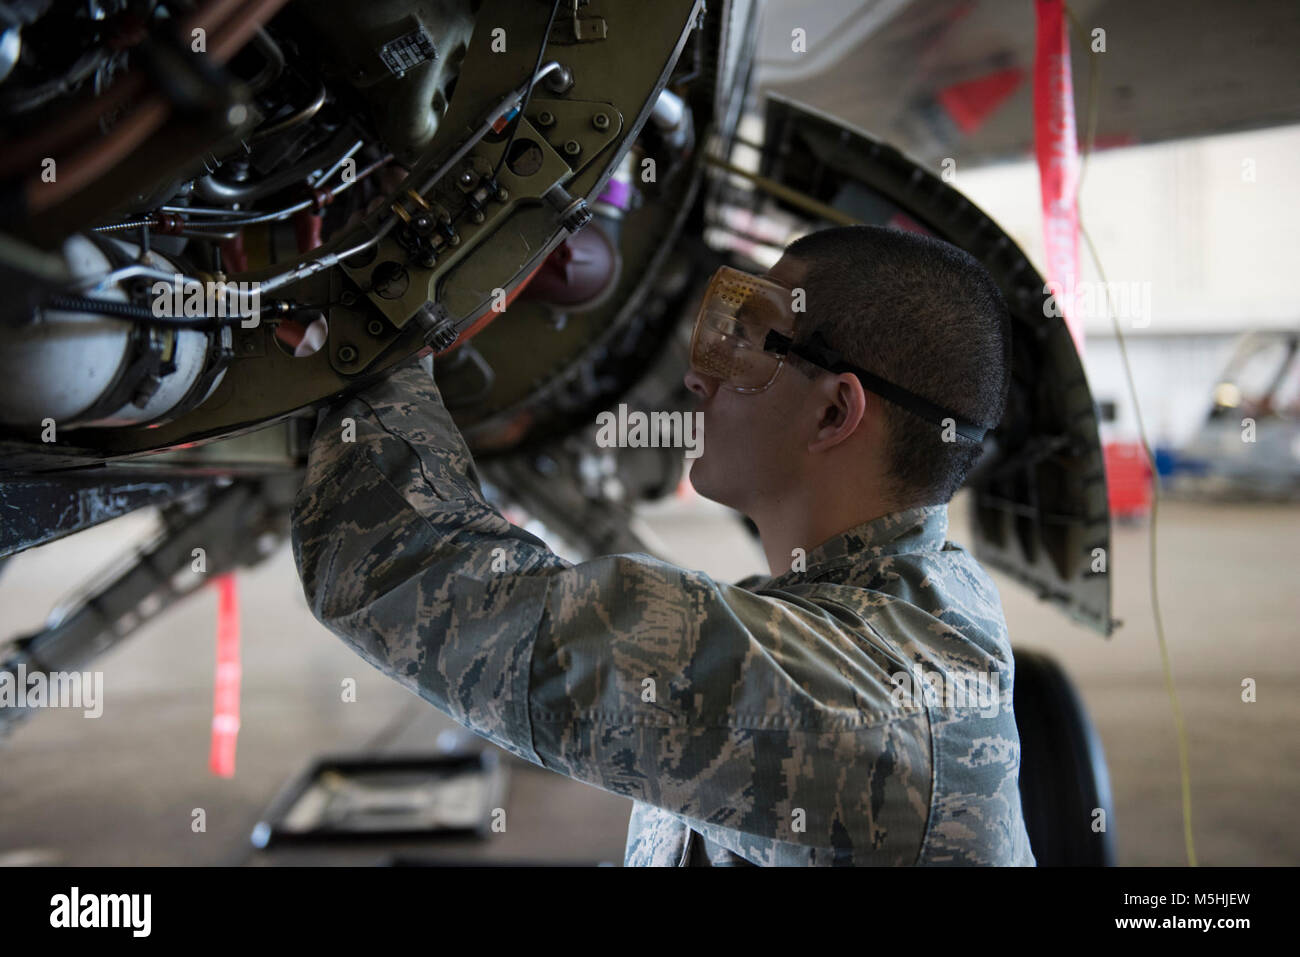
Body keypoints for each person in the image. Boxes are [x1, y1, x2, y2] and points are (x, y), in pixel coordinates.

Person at [291, 224, 1035, 866]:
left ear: (835, 410)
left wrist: (373, 334)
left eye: (744, 345)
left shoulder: (855, 699)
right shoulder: (913, 604)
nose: (696, 376)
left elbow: (403, 569)